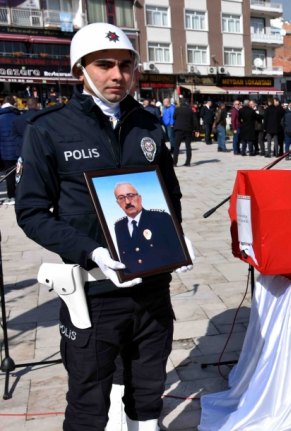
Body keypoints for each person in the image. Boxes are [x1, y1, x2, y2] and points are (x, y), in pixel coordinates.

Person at [14, 23, 194, 431]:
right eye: (105, 65)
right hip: (93, 288)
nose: (118, 75)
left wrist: (177, 236)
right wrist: (90, 251)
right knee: (89, 396)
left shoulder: (147, 125)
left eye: (126, 65)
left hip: (151, 284)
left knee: (148, 385)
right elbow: (32, 212)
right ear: (80, 70)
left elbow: (169, 192)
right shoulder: (48, 129)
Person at [113, 183, 186, 274]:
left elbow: (177, 250)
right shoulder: (119, 226)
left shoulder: (161, 218)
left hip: (159, 276)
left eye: (130, 196)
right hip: (134, 281)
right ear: (118, 203)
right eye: (121, 198)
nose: (127, 201)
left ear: (139, 198)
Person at [0, 95, 21, 205]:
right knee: (20, 173)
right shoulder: (17, 116)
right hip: (18, 150)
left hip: (5, 151)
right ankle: (21, 194)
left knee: (9, 175)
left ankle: (11, 196)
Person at [172, 99, 196, 166]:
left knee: (176, 146)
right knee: (188, 146)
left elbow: (174, 117)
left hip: (179, 129)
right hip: (188, 129)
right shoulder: (190, 110)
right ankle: (188, 162)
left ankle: (174, 162)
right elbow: (194, 120)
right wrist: (195, 129)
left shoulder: (177, 109)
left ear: (180, 103)